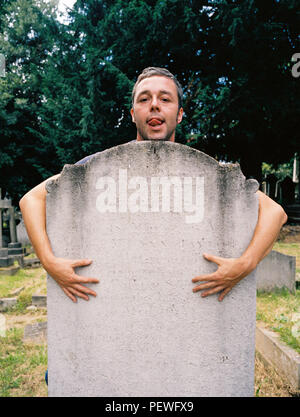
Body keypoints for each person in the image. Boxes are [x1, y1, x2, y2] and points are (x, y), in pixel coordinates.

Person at [19, 67, 287, 304]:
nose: (155, 106)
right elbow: (31, 200)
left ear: (180, 114)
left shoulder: (205, 173)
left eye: (165, 99)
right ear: (134, 114)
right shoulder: (98, 168)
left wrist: (245, 263)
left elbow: (275, 212)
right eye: (144, 99)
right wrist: (49, 262)